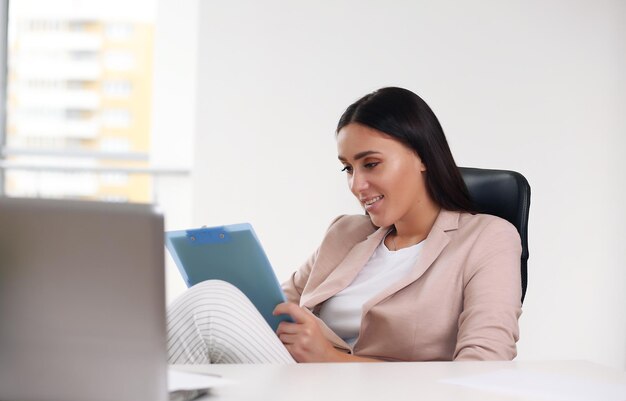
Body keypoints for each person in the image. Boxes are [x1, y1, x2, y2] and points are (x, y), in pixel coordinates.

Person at [166, 87, 522, 364]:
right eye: (348, 168)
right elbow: (275, 311)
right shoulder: (346, 232)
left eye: (371, 164)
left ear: (423, 157)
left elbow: (484, 368)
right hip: (296, 384)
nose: (355, 185)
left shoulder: (488, 238)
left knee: (208, 306)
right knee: (215, 299)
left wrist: (332, 361)